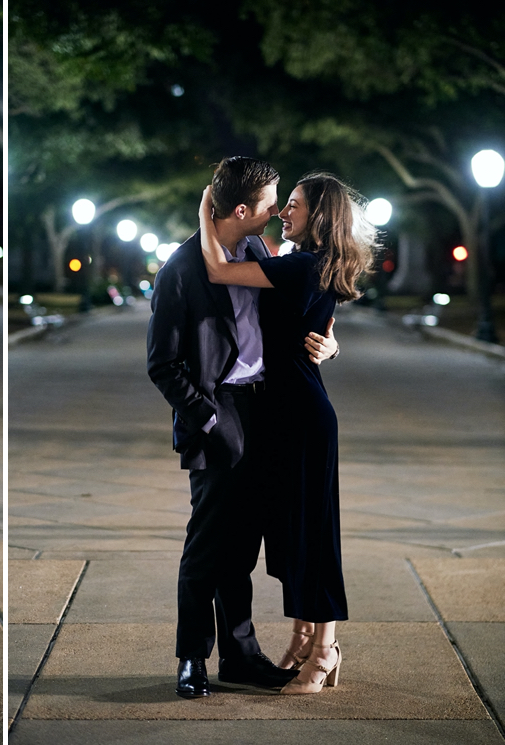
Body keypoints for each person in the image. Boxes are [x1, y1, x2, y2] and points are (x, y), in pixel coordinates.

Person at [146, 156, 340, 699]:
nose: (279, 211)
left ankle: (241, 655)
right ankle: (191, 658)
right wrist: (208, 419)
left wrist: (329, 341)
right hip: (217, 412)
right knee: (207, 545)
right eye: (272, 203)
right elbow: (162, 365)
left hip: (267, 410)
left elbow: (309, 303)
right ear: (240, 209)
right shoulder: (182, 269)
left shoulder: (260, 251)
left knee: (243, 548)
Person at [196, 172, 374, 695]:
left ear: (318, 214)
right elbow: (323, 331)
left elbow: (214, 267)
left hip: (301, 417)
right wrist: (332, 348)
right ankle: (301, 639)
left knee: (313, 535)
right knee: (292, 534)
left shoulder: (301, 264)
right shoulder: (308, 263)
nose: (283, 212)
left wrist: (209, 206)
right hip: (284, 413)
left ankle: (325, 650)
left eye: (292, 205)